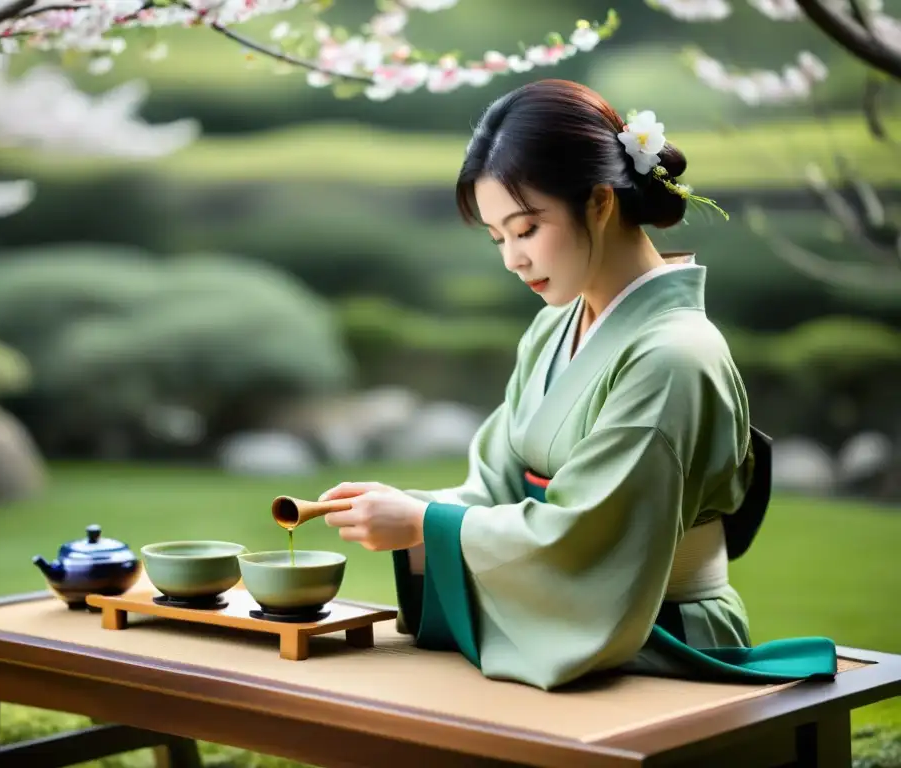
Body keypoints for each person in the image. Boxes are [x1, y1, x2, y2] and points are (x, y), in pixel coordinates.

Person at [318, 79, 837, 691]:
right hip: (576, 621)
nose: (512, 257)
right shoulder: (551, 330)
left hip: (658, 636)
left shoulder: (676, 355)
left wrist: (423, 525)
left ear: (598, 202)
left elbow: (594, 535)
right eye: (498, 238)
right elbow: (497, 485)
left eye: (527, 228)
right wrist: (415, 508)